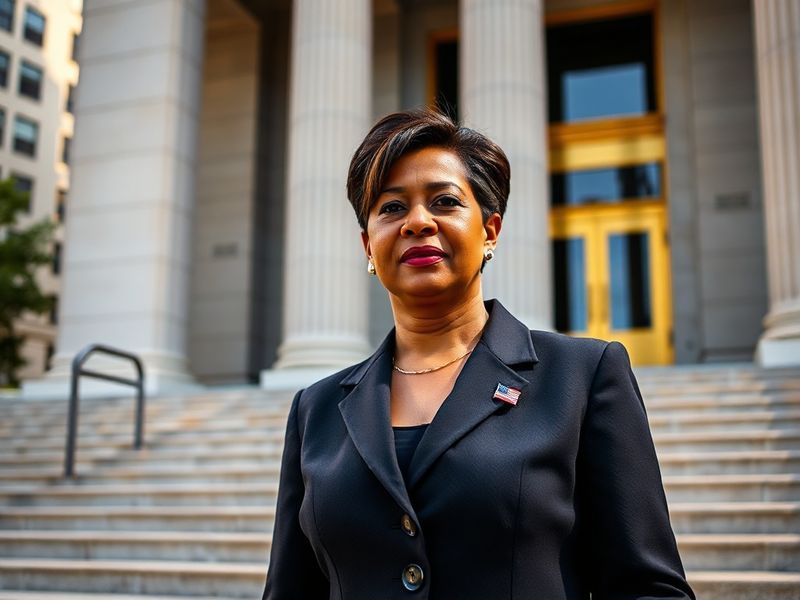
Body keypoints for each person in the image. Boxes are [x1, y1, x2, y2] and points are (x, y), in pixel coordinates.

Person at [263, 109, 694, 599]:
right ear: (368, 245)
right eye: (392, 208)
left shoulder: (583, 377)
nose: (417, 222)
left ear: (490, 230)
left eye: (444, 201)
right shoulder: (316, 409)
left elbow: (647, 587)